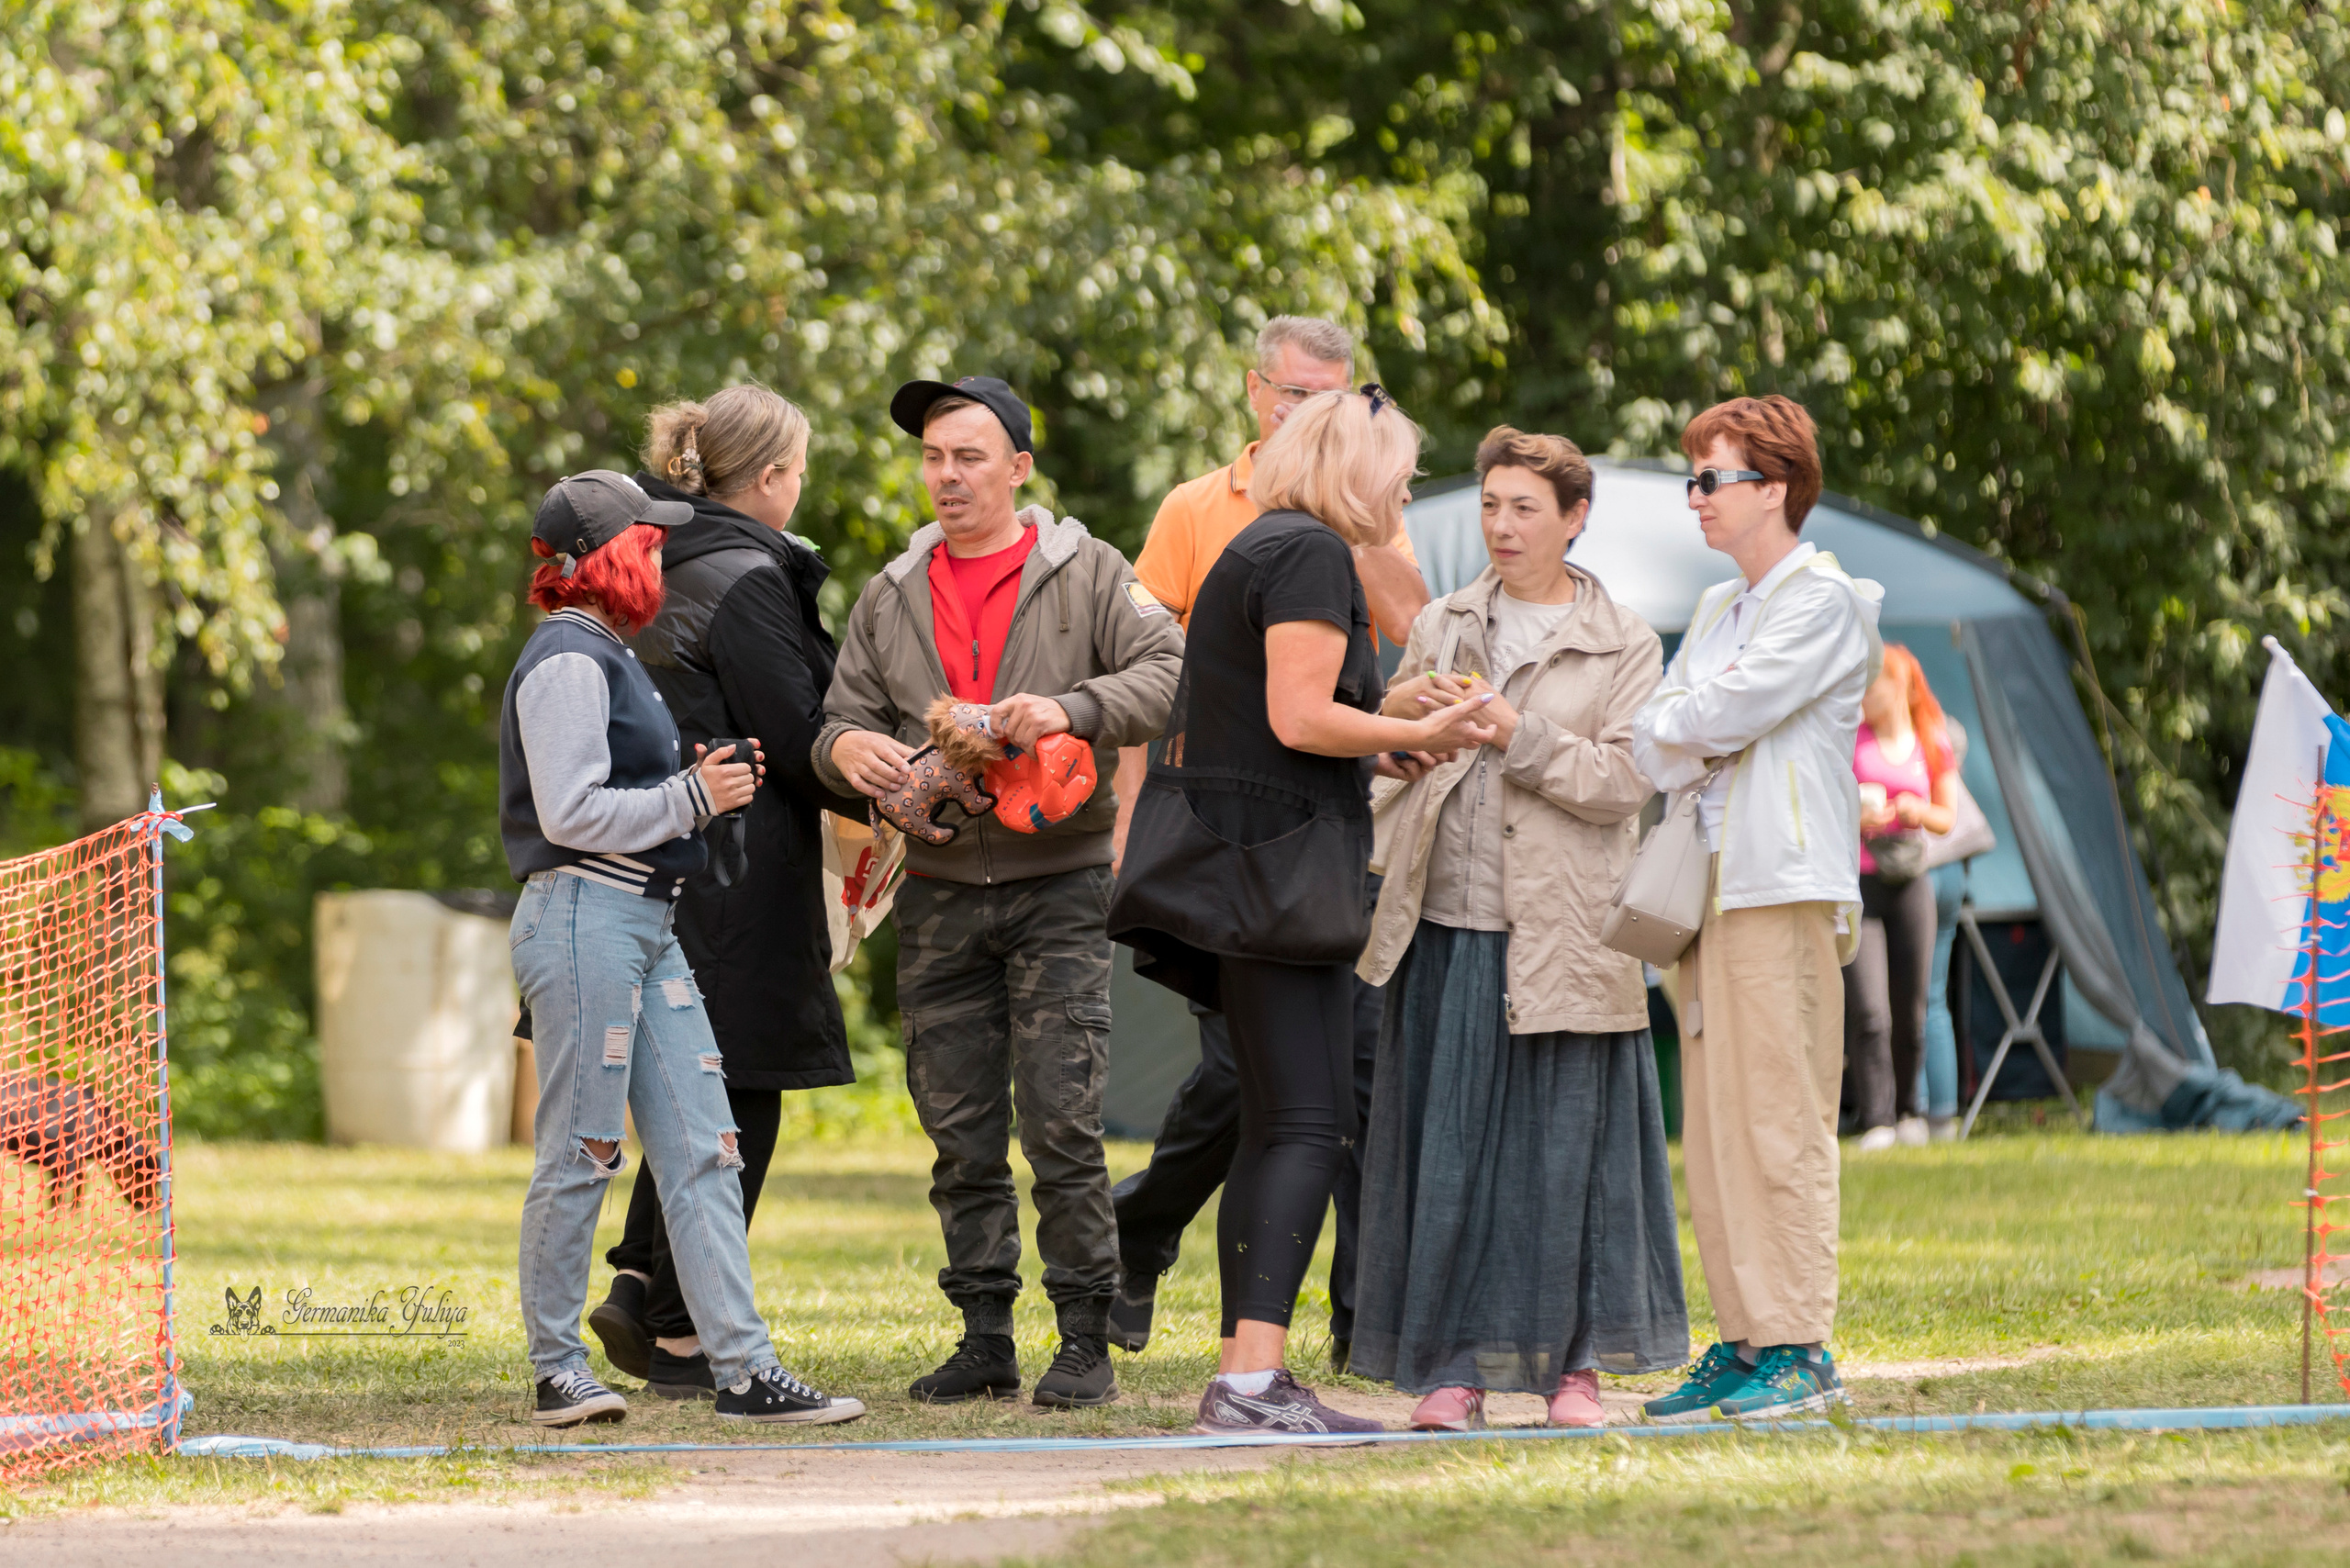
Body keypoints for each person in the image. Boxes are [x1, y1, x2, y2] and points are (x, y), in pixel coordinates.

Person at [1108, 386, 1500, 1437]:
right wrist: (1437, 735)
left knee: (1279, 1123)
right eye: (1400, 472)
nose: (1406, 490)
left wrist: (1388, 719)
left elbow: (1286, 718)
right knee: (1308, 1125)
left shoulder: (1264, 546)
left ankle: (1248, 1374)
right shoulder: (1310, 555)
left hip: (1243, 874)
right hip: (1273, 882)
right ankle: (1250, 1386)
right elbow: (1296, 716)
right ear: (1352, 469)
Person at [813, 375, 1183, 1409]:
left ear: (1018, 468)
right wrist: (860, 753)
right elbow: (833, 719)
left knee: (1061, 1122)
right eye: (933, 457)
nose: (946, 475)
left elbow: (1170, 672)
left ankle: (1083, 1338)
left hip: (1060, 883)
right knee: (958, 1132)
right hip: (934, 891)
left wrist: (1060, 709)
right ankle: (984, 1336)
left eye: (967, 456)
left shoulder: (1090, 569)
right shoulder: (890, 592)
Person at [500, 469, 864, 1428]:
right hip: (585, 917)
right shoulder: (570, 656)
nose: (660, 552)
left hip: (642, 922)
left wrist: (690, 786)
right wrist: (694, 798)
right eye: (646, 540)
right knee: (582, 1150)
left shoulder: (605, 650)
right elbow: (569, 809)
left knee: (707, 1148)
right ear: (597, 559)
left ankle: (743, 1369)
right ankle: (556, 1368)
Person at [1351, 427, 1686, 1432]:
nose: (1500, 524)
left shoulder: (1625, 640)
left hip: (1571, 940)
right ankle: (1453, 1372)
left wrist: (1517, 732)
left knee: (1566, 1162)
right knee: (1447, 1155)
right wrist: (1407, 745)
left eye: (1523, 507)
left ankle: (1573, 1372)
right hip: (1445, 923)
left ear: (1575, 518)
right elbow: (1386, 756)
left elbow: (1628, 783)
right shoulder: (1442, 622)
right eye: (1491, 504)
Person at [579, 386, 874, 1399]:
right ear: (774, 477)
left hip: (648, 857)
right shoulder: (749, 575)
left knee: (685, 1081)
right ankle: (678, 1332)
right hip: (735, 868)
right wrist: (888, 774)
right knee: (740, 1091)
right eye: (800, 468)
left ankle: (637, 1282)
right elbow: (796, 736)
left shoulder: (650, 559)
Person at [1630, 395, 1881, 1424]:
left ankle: (1799, 1347)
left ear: (1772, 488)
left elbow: (1720, 711)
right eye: (1692, 478)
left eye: (1709, 478)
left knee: (1779, 1120)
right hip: (1711, 888)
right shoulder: (1715, 608)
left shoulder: (1821, 598)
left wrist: (1694, 719)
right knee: (1719, 1125)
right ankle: (1741, 1339)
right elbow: (1657, 734)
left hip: (1782, 884)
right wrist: (1695, 719)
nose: (1694, 497)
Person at [1845, 644, 1959, 1153]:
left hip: (1912, 879)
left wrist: (1916, 809)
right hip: (1863, 881)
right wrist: (1858, 817)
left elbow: (1947, 816)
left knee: (1912, 1008)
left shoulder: (1931, 741)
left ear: (1899, 687)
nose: (1867, 693)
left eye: (1876, 683)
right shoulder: (1851, 741)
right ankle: (1877, 1120)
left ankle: (1912, 1110)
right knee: (1870, 1009)